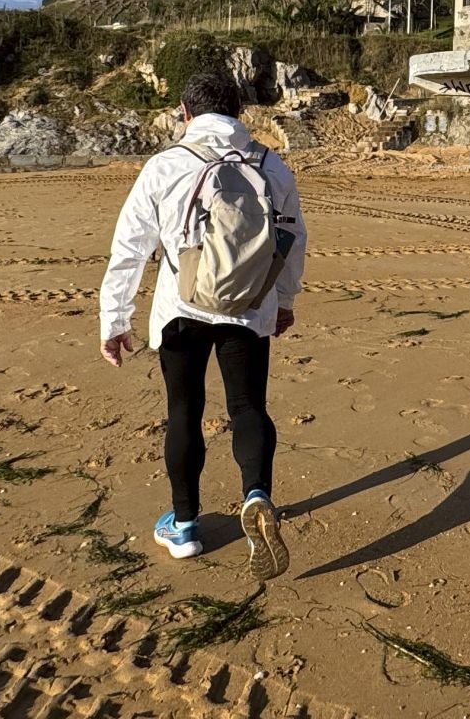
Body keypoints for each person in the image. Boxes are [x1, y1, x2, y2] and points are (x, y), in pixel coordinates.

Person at [98, 70, 307, 580]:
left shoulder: (165, 165)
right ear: (238, 112)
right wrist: (282, 299)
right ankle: (257, 494)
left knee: (184, 412)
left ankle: (185, 526)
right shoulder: (270, 164)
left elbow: (130, 248)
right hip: (248, 308)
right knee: (248, 406)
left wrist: (115, 318)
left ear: (185, 114)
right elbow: (292, 239)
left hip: (181, 311)